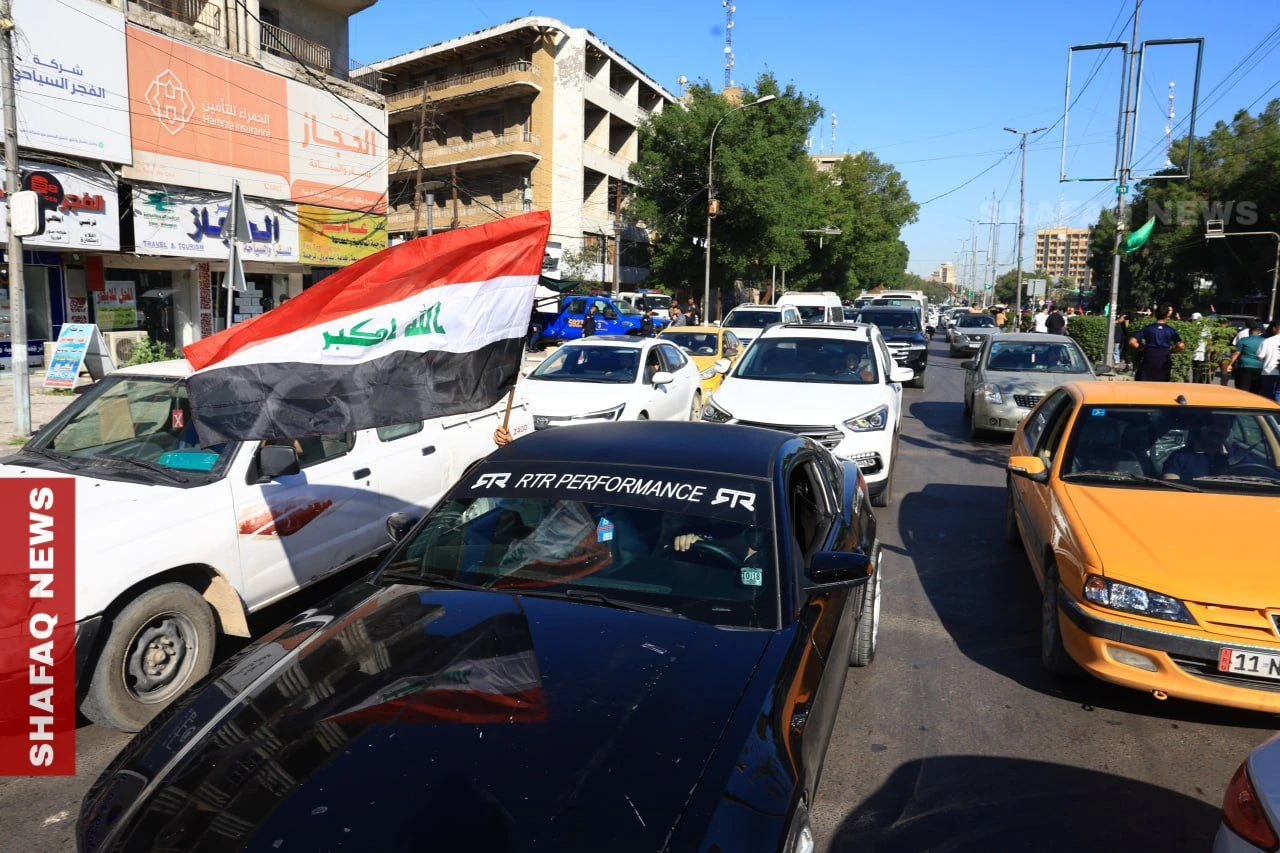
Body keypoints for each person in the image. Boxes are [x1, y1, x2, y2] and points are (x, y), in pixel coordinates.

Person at [1163, 414, 1234, 481]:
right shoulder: (1179, 458)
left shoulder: (1237, 456)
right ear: (1201, 427)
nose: (1217, 430)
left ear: (1229, 431)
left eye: (1223, 425)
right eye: (1210, 424)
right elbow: (1170, 487)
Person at [1128, 306, 1185, 382]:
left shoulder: (1148, 328)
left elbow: (1132, 341)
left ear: (1155, 314)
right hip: (1164, 359)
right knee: (1161, 385)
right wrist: (1172, 351)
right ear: (1167, 315)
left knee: (1144, 383)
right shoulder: (1170, 330)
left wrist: (1142, 348)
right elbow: (1181, 345)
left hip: (1149, 357)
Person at [1228, 321, 1265, 395]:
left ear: (1249, 332)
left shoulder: (1243, 340)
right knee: (1255, 388)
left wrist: (1230, 364)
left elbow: (1236, 353)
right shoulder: (1264, 340)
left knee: (1243, 388)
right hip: (1259, 367)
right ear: (1259, 332)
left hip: (1245, 366)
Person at [1258, 320, 1280, 403]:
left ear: (1274, 328)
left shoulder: (1267, 341)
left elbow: (1260, 357)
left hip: (1269, 372)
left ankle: (1270, 410)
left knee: (1267, 395)